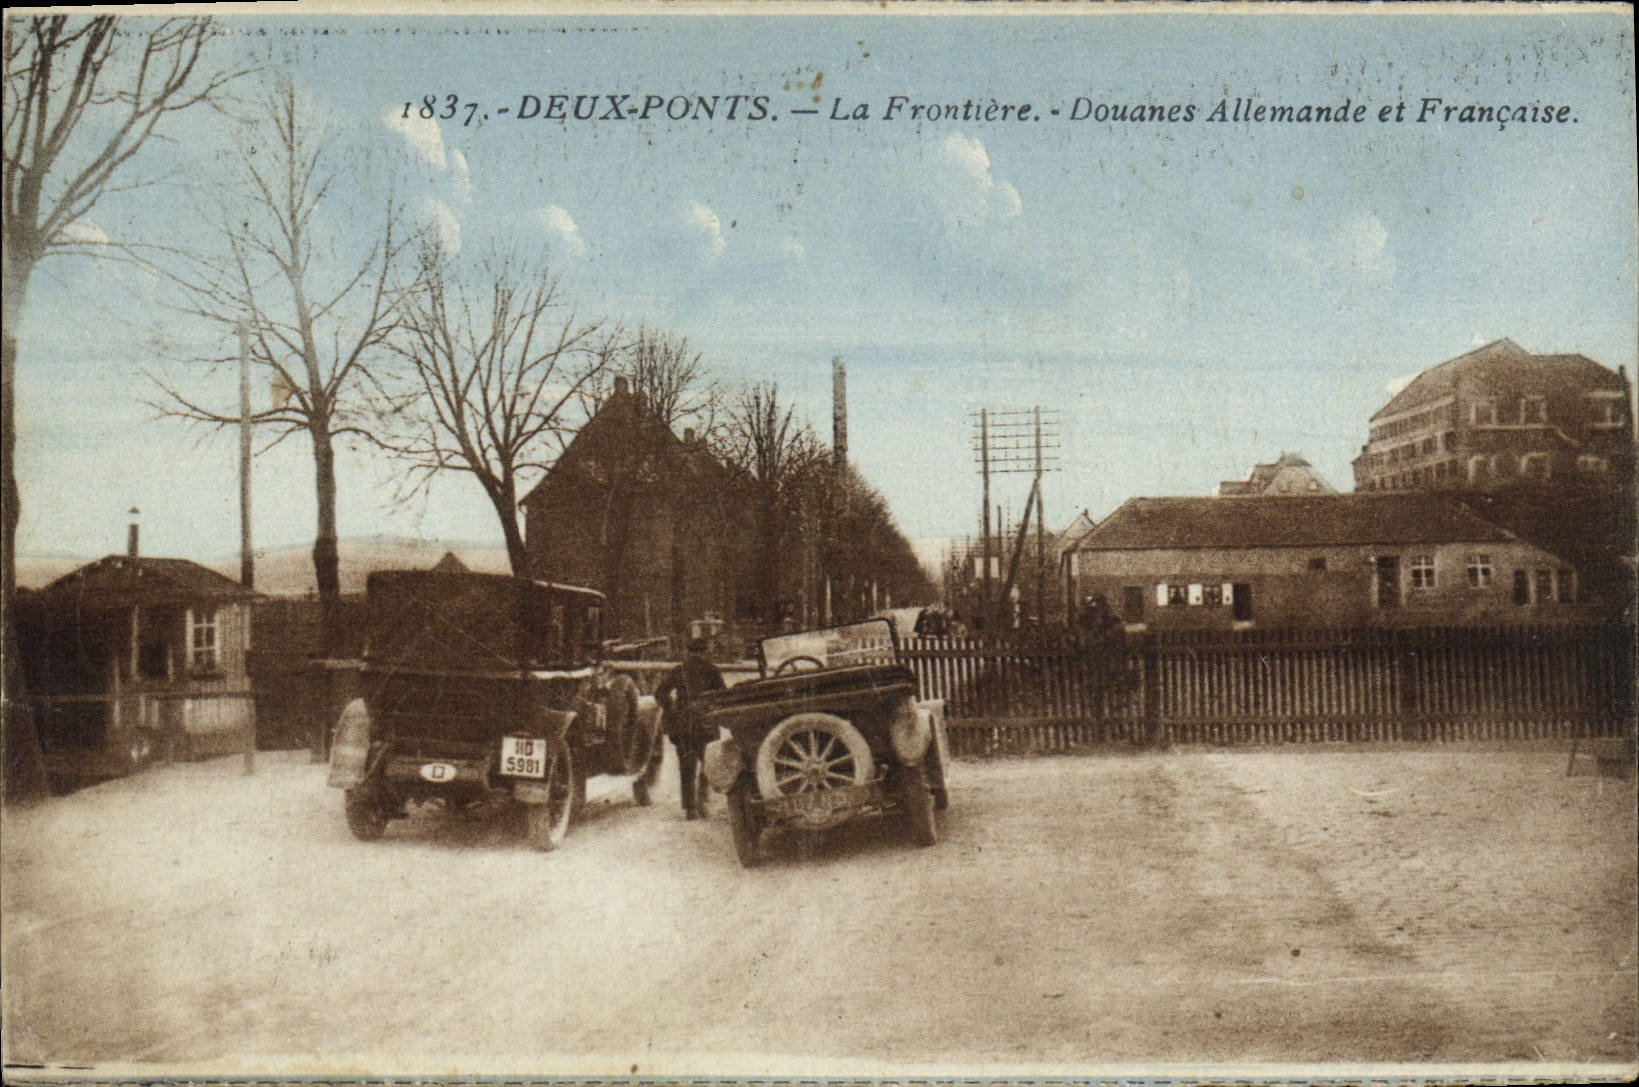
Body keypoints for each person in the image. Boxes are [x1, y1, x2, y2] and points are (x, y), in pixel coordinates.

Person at [654, 638, 725, 820]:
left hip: (683, 724)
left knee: (686, 766)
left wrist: (671, 708)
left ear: (688, 652)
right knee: (708, 762)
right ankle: (703, 795)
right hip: (706, 723)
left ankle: (690, 809)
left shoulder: (679, 671)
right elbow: (722, 695)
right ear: (704, 651)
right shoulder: (712, 670)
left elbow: (660, 693)